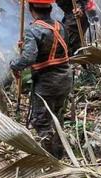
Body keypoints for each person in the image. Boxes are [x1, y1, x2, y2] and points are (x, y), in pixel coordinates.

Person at [10, 0, 72, 158]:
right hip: (65, 78)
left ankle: (49, 159)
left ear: (31, 10)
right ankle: (60, 154)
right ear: (50, 9)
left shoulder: (33, 30)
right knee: (57, 117)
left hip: (47, 82)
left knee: (41, 121)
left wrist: (15, 65)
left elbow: (29, 58)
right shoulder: (60, 26)